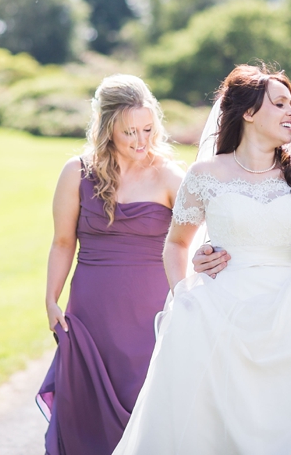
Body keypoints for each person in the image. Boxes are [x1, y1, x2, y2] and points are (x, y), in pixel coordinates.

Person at [112, 64, 291, 454]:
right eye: (279, 103)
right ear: (249, 112)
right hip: (219, 312)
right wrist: (182, 297)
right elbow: (176, 245)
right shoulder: (205, 174)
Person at [36, 74, 183, 455]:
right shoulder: (77, 172)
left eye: (147, 129)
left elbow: (196, 241)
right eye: (129, 132)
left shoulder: (170, 176)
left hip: (150, 316)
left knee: (146, 411)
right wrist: (51, 298)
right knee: (85, 417)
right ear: (107, 129)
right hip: (90, 316)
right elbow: (63, 241)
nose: (141, 141)